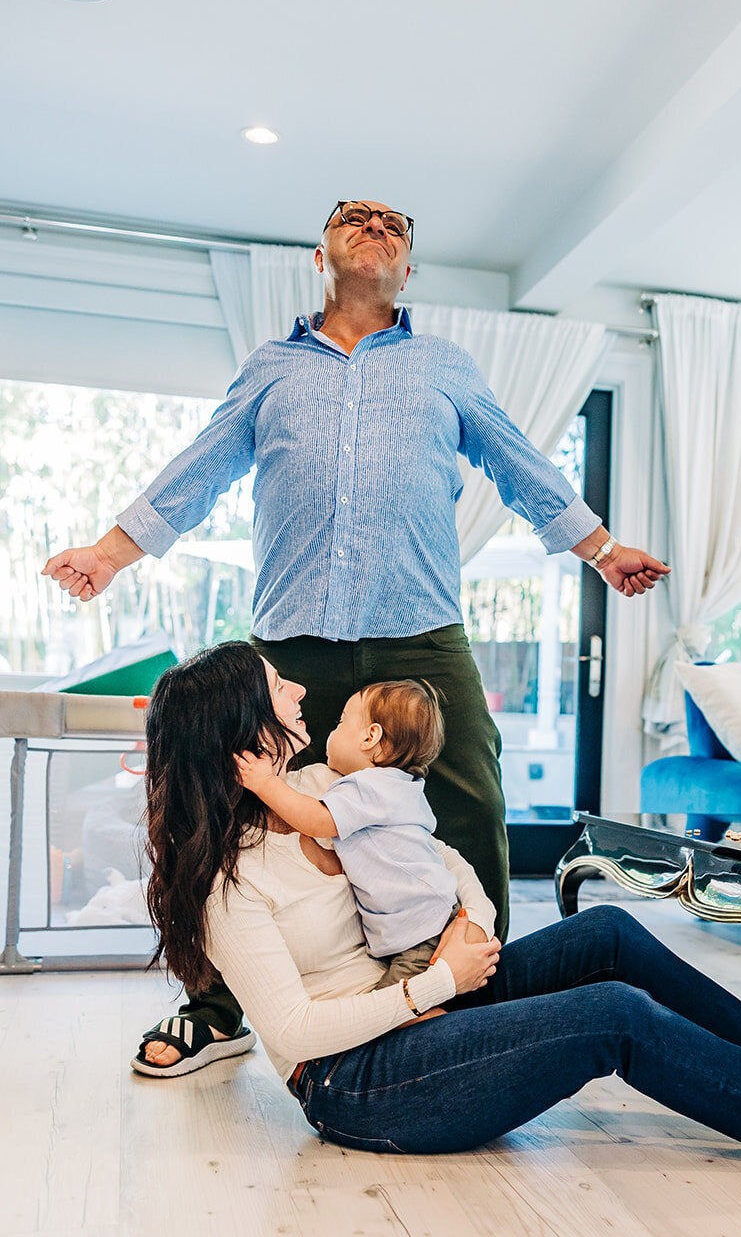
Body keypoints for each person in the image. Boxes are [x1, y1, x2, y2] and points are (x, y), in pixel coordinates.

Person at [42, 197, 670, 1075]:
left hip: (422, 636)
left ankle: (477, 989)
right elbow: (202, 468)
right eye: (353, 217)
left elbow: (521, 462)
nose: (375, 225)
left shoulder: (442, 365)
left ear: (407, 268)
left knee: (470, 810)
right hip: (293, 643)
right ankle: (219, 1010)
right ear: (319, 255)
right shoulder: (272, 367)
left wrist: (598, 550)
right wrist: (112, 554)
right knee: (234, 819)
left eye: (395, 225)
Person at [138, 641, 741, 1172]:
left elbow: (444, 858)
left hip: (422, 997)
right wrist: (432, 989)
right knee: (609, 1016)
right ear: (245, 735)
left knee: (604, 930)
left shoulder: (323, 786)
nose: (297, 691)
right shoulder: (229, 882)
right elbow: (292, 1034)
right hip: (358, 1081)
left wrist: (472, 923)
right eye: (276, 686)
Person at [236, 678, 466, 988]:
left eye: (340, 722)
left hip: (421, 930)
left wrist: (264, 783)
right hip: (427, 918)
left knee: (396, 1008)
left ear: (371, 737)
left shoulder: (370, 787)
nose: (332, 732)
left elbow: (317, 820)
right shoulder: (398, 785)